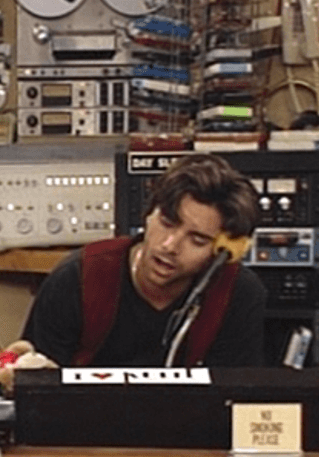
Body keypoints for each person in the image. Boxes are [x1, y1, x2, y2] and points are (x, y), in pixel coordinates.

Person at [22, 153, 266, 368]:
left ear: (222, 252)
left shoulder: (238, 293)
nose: (169, 246)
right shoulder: (77, 277)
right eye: (167, 223)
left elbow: (233, 401)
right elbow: (37, 389)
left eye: (197, 240)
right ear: (149, 215)